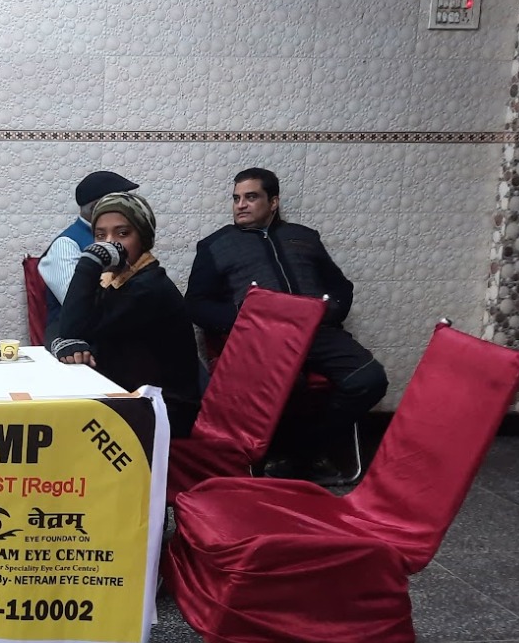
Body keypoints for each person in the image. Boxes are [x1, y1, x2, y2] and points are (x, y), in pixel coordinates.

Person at [188, 167, 387, 480]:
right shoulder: (215, 245)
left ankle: (306, 448)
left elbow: (341, 288)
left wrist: (328, 311)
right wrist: (243, 317)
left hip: (317, 332)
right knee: (287, 387)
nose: (241, 205)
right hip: (263, 339)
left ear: (273, 202)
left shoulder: (304, 238)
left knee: (370, 379)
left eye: (251, 197)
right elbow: (196, 305)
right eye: (236, 198)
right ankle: (292, 455)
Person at [50, 191, 200, 438]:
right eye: (100, 236)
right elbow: (63, 322)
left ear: (143, 239)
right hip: (125, 395)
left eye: (122, 234)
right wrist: (66, 343)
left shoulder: (148, 288)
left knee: (60, 429)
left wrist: (88, 263)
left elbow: (72, 327)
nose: (109, 244)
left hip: (163, 411)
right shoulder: (115, 280)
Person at [37, 170, 141, 339]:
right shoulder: (67, 244)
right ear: (96, 208)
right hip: (80, 341)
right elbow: (78, 306)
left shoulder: (124, 239)